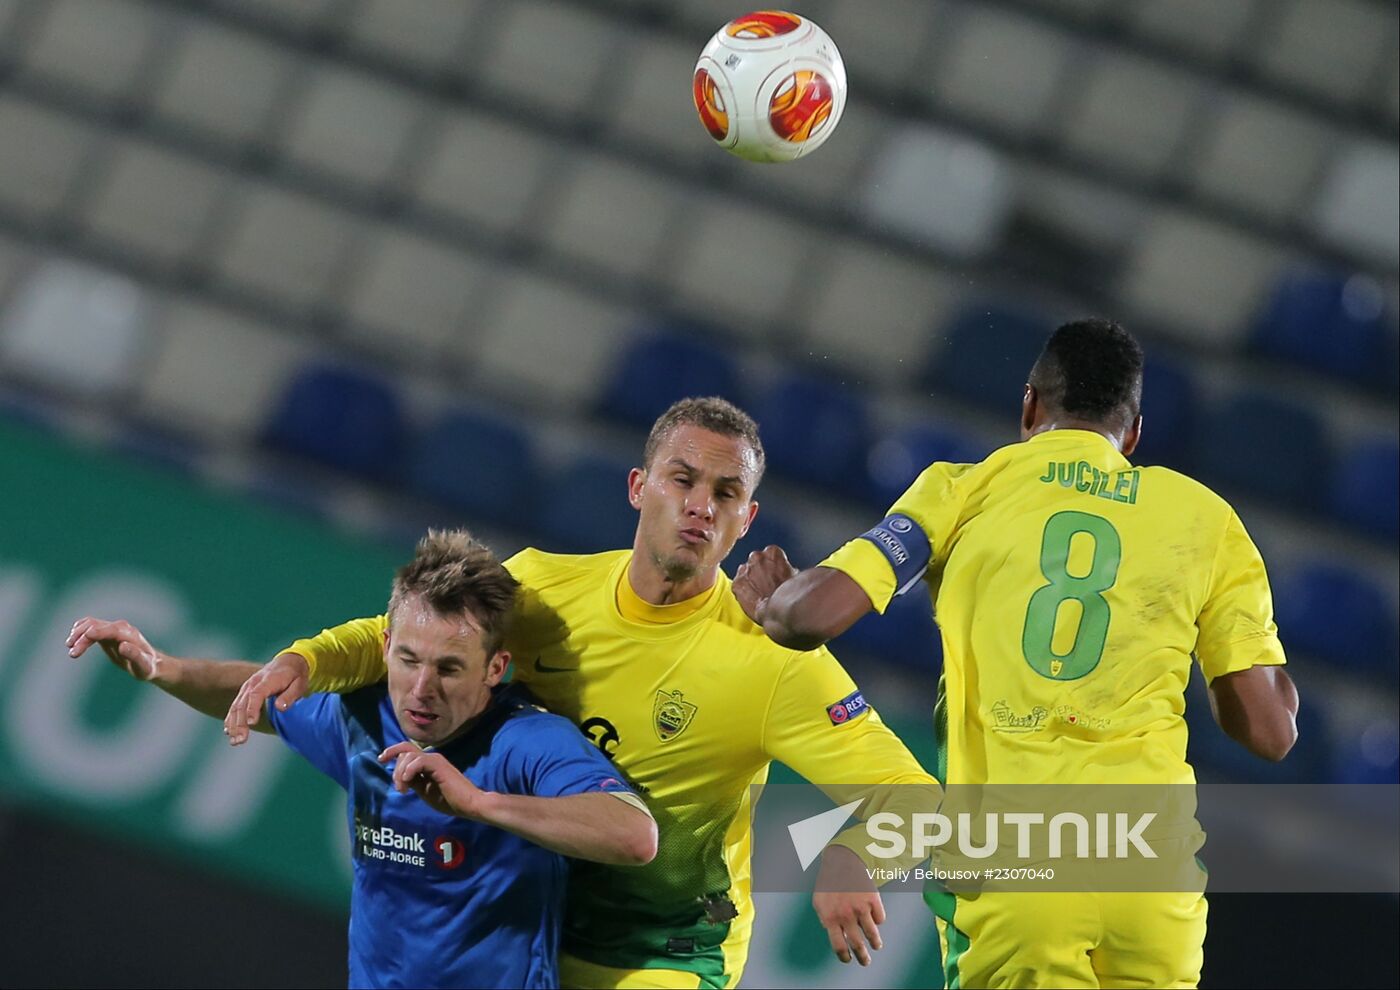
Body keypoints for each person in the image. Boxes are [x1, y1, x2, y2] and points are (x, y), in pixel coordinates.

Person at [223, 397, 941, 989]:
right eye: (681, 479)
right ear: (637, 486)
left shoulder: (773, 661)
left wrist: (855, 858)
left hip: (661, 955)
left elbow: (913, 795)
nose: (700, 507)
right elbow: (409, 633)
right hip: (530, 927)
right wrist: (306, 659)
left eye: (726, 494)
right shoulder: (544, 588)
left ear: (747, 519)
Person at [733, 318, 1299, 989]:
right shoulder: (1208, 521)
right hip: (1152, 877)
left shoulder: (967, 488)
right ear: (1134, 433)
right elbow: (1268, 732)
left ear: (1030, 405)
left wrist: (776, 601)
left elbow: (816, 616)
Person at [66, 529, 657, 990]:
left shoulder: (525, 742)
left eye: (449, 668)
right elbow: (256, 693)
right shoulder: (359, 719)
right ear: (384, 648)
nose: (422, 688)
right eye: (408, 660)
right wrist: (160, 668)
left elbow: (634, 834)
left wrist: (479, 804)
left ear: (494, 669)